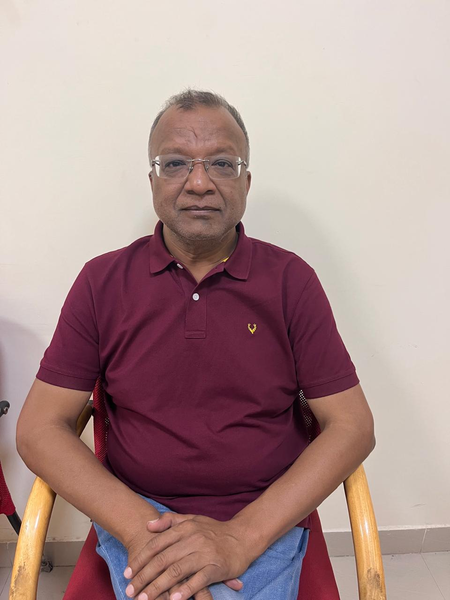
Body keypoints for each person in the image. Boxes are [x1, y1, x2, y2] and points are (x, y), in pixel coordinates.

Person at [16, 90, 375, 600]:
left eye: (223, 164)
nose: (200, 182)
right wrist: (143, 533)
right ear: (152, 181)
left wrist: (240, 537)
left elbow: (353, 426)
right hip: (136, 515)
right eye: (175, 163)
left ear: (246, 182)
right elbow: (38, 428)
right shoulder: (101, 283)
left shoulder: (291, 282)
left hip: (261, 518)